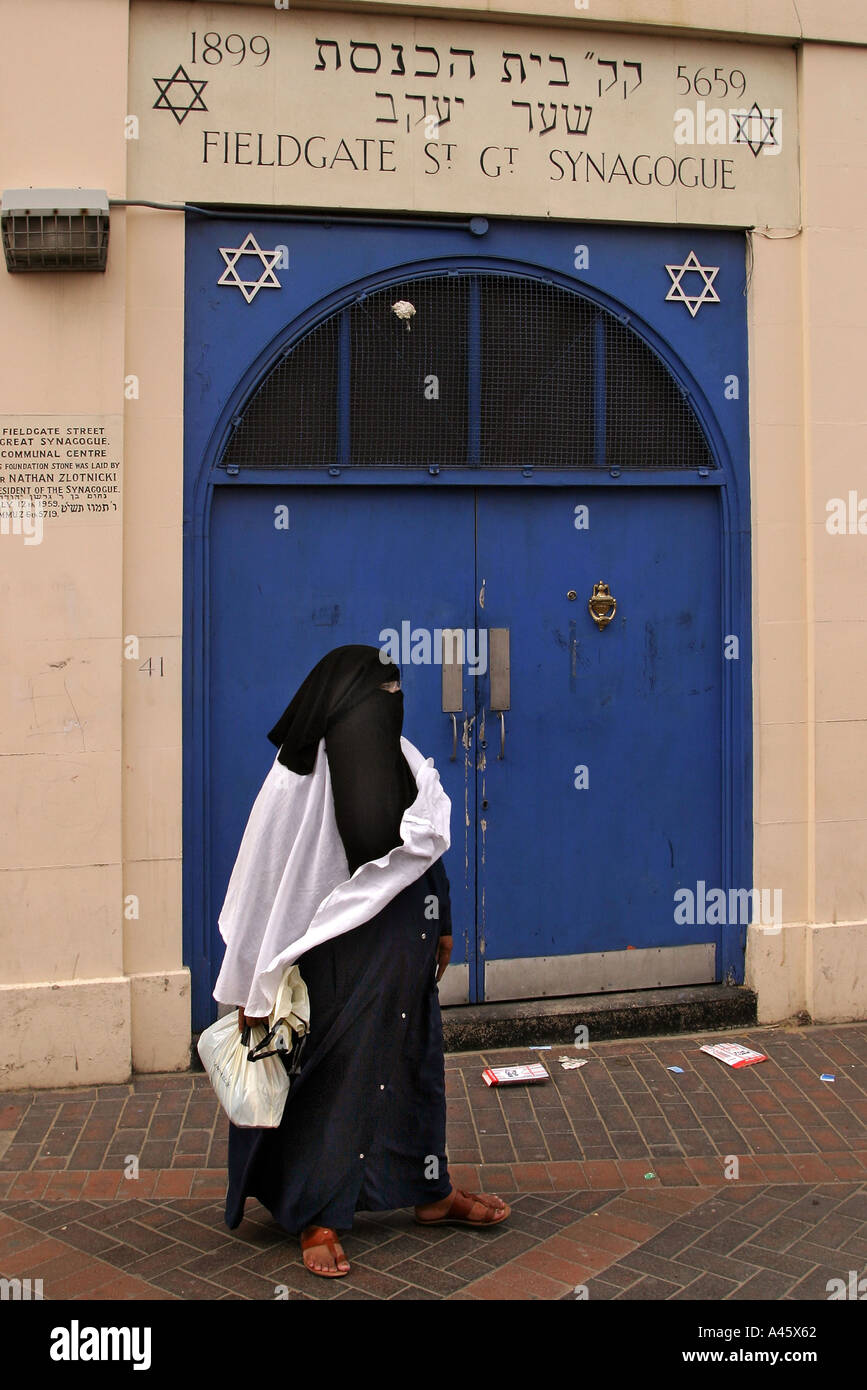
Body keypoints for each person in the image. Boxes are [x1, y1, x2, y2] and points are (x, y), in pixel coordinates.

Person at [215, 644, 510, 1278]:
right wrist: (251, 981)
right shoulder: (297, 781)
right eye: (379, 696)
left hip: (408, 951)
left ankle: (430, 1192)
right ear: (343, 704)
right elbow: (264, 887)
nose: (391, 707)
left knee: (414, 1070)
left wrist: (444, 920)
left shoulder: (401, 758)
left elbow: (422, 846)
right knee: (334, 1080)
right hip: (335, 963)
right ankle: (318, 1215)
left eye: (396, 695)